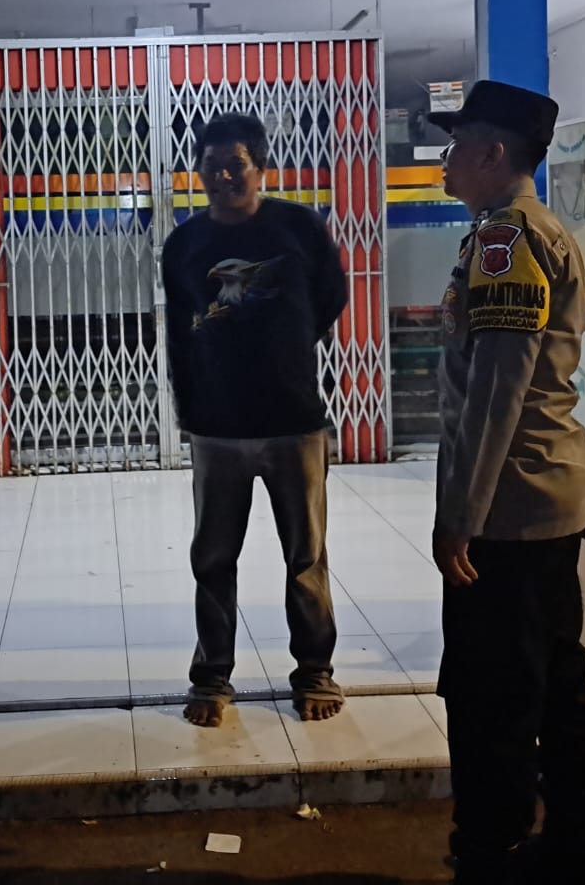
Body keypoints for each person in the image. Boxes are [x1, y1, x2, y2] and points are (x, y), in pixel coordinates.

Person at [430, 80, 585, 885]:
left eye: (456, 143)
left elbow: (499, 389)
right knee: (557, 677)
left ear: (493, 153)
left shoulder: (507, 238)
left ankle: (491, 853)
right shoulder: (538, 230)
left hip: (510, 509)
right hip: (547, 497)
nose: (444, 159)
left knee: (491, 692)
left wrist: (461, 516)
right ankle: (572, 845)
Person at [161, 112, 349, 728]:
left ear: (260, 166)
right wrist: (191, 408)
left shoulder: (299, 227)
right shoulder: (184, 244)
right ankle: (212, 677)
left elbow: (331, 296)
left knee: (306, 555)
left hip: (294, 420)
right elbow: (179, 332)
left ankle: (314, 671)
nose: (222, 177)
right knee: (213, 559)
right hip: (217, 429)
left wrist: (285, 346)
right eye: (211, 166)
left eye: (235, 165)